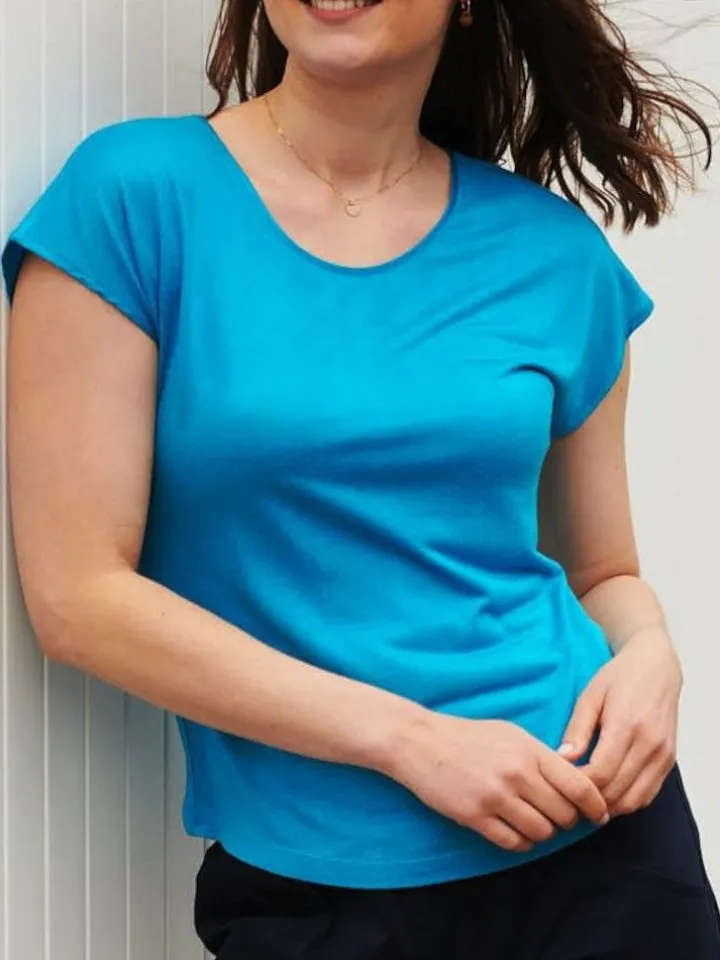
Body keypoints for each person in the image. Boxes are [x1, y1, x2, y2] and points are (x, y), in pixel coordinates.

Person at [3, 0, 719, 956]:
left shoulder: (552, 253)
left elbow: (603, 573)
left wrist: (653, 658)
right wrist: (410, 741)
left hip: (598, 842)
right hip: (317, 881)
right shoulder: (133, 197)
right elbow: (77, 597)